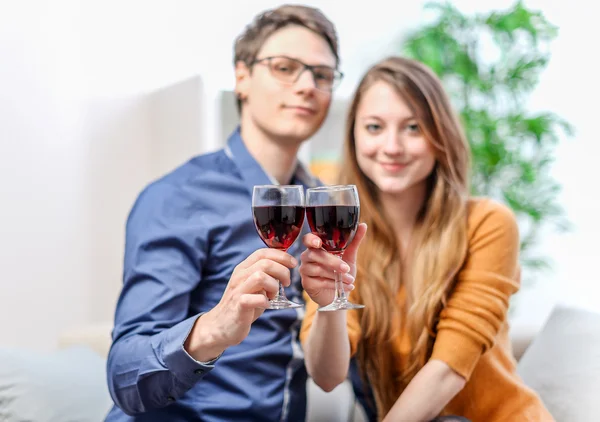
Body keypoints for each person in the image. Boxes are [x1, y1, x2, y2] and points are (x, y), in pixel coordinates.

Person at [105, 5, 344, 421]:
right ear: (242, 77)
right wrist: (215, 327)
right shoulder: (178, 197)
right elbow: (125, 375)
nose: (307, 85)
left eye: (321, 75)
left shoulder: (324, 207)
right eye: (285, 67)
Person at [298, 56, 555, 422]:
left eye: (413, 128)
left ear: (440, 136)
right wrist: (328, 306)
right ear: (354, 134)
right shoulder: (340, 235)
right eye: (374, 127)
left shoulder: (487, 223)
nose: (391, 146)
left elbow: (447, 370)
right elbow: (327, 377)